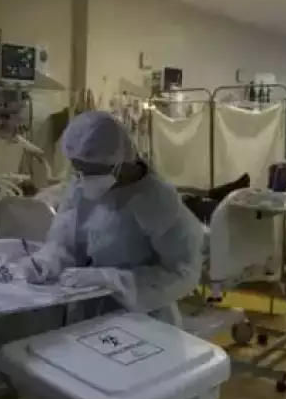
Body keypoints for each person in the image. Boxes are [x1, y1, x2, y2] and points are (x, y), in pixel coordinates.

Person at [16, 110, 205, 325]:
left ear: (119, 162)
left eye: (92, 171)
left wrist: (114, 280)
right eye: (79, 170)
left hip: (144, 321)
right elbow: (66, 240)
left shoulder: (157, 202)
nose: (83, 179)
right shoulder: (81, 188)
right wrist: (49, 260)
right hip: (86, 316)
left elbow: (183, 273)